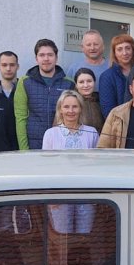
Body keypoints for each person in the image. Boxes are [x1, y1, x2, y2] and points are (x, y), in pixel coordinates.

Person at [41, 90, 99, 234]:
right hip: (60, 194)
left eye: (75, 106)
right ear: (60, 109)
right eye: (66, 107)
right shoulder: (50, 134)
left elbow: (97, 166)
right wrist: (51, 196)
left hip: (86, 194)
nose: (70, 111)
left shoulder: (92, 133)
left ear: (81, 109)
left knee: (85, 236)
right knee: (62, 237)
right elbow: (46, 168)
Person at [14, 39, 74, 150]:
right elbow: (20, 118)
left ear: (56, 58)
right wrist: (24, 150)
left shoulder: (69, 83)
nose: (46, 59)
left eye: (50, 55)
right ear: (36, 58)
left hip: (60, 142)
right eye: (42, 55)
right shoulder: (24, 82)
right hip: (34, 143)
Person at [99, 33, 134, 118]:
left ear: (133, 50)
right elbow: (108, 110)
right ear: (114, 53)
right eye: (119, 49)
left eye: (128, 48)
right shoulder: (107, 76)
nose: (124, 53)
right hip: (119, 122)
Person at [72, 67, 105, 132]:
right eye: (81, 82)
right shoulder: (70, 102)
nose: (86, 85)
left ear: (94, 82)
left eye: (89, 81)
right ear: (76, 85)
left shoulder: (102, 101)